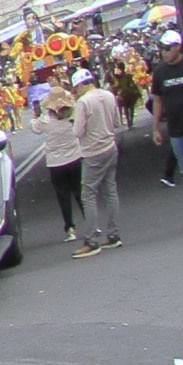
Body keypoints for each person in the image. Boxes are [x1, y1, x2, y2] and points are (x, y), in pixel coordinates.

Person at [74, 67, 127, 253]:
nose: (76, 91)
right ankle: (113, 234)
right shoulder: (108, 95)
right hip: (110, 146)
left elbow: (78, 131)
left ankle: (91, 240)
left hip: (92, 151)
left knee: (88, 195)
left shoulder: (83, 102)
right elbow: (117, 122)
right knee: (110, 191)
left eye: (76, 88)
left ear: (82, 85)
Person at [33, 78, 85, 240]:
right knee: (80, 192)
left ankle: (70, 228)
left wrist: (35, 115)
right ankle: (91, 222)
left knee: (63, 195)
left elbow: (34, 128)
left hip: (56, 162)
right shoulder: (73, 115)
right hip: (75, 157)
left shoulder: (46, 120)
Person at [153, 32, 183, 213]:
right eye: (162, 49)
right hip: (176, 130)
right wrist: (156, 128)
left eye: (167, 49)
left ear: (178, 47)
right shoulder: (160, 72)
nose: (164, 53)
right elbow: (157, 100)